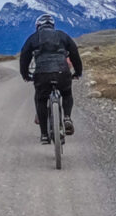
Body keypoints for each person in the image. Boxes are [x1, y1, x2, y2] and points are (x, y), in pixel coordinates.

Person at [19, 14, 82, 144]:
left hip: (41, 74)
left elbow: (24, 57)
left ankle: (43, 134)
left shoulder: (33, 38)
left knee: (41, 99)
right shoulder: (62, 35)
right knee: (66, 93)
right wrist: (77, 72)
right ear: (52, 25)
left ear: (38, 26)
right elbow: (75, 54)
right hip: (62, 71)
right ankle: (67, 117)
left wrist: (25, 74)